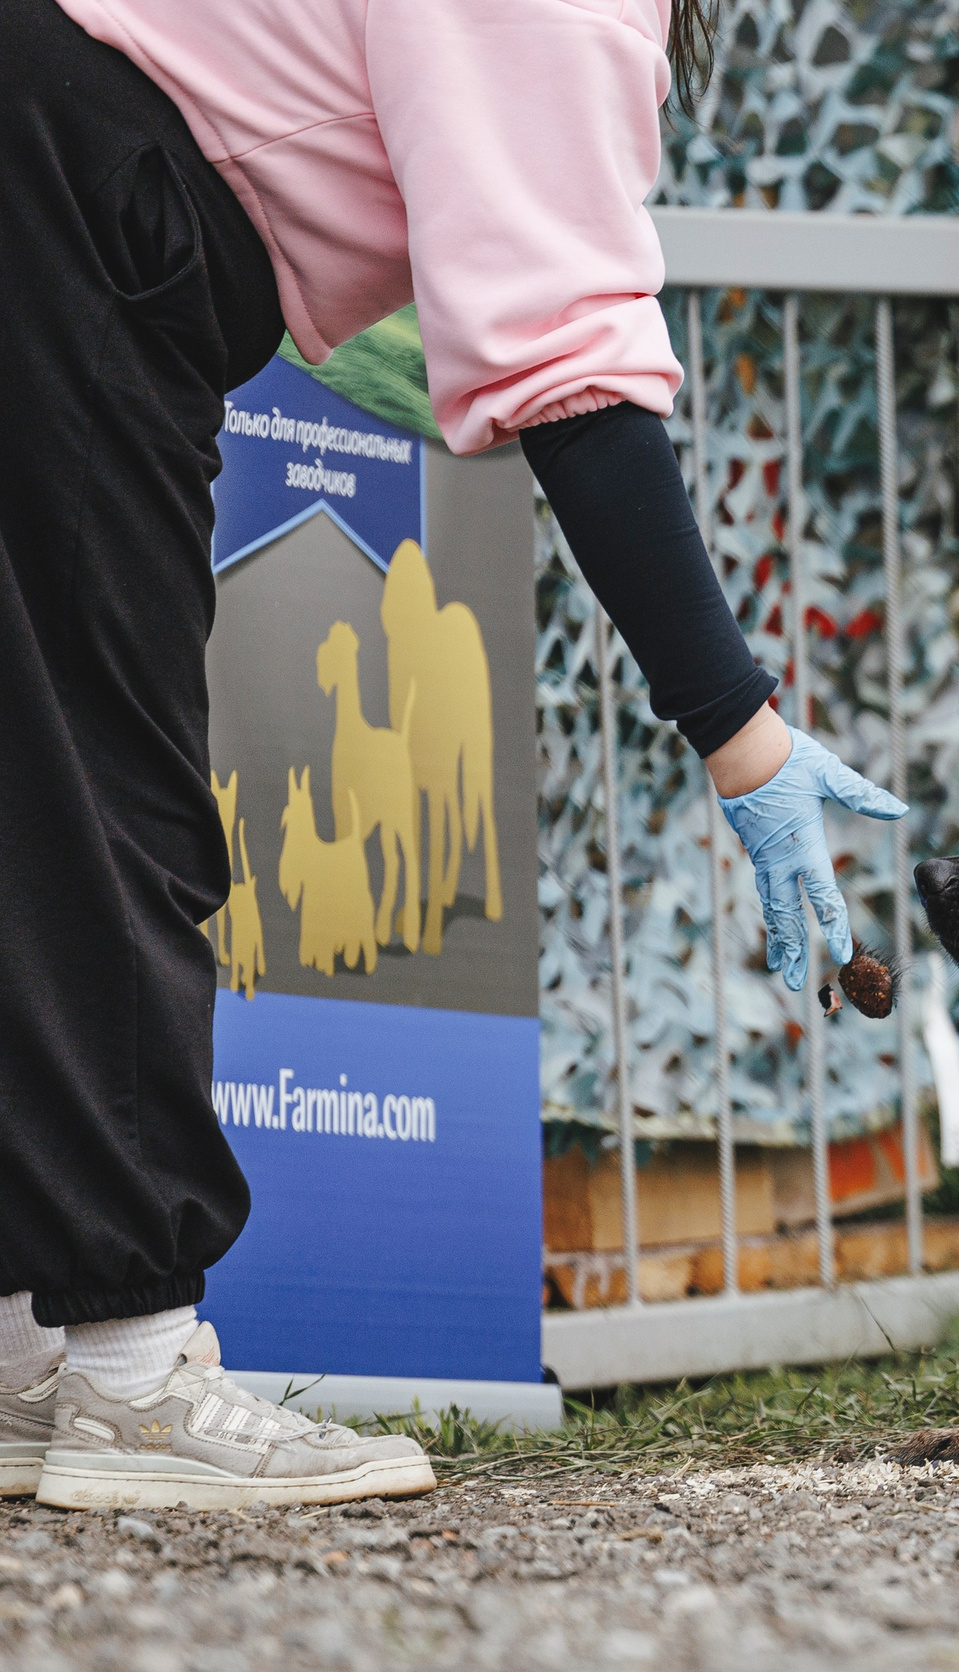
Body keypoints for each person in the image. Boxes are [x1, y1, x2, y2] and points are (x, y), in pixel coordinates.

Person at [0, 0, 902, 1511]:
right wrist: (744, 737)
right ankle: (128, 1375)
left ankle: (33, 1358)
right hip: (72, 193)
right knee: (108, 791)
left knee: (32, 775)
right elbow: (573, 374)